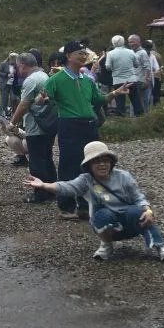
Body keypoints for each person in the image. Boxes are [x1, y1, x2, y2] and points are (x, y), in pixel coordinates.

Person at [25, 141, 164, 262]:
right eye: (97, 161)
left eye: (105, 160)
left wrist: (148, 210)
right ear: (89, 166)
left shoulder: (124, 176)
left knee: (140, 212)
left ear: (111, 162)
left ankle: (161, 247)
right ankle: (106, 245)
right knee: (101, 214)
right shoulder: (86, 180)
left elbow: (138, 197)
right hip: (108, 225)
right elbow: (67, 187)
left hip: (130, 221)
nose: (102, 164)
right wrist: (44, 185)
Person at [39, 41, 129, 219]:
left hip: (89, 125)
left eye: (84, 53)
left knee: (91, 164)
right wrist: (41, 99)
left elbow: (98, 100)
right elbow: (41, 98)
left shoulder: (87, 79)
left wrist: (115, 93)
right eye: (79, 53)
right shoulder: (56, 79)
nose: (83, 56)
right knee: (69, 165)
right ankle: (66, 206)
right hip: (69, 125)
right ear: (68, 56)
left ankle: (86, 205)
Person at [7, 53, 54, 202]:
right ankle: (52, 190)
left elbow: (24, 104)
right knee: (47, 158)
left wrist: (12, 122)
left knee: (37, 162)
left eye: (17, 66)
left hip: (36, 126)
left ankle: (40, 194)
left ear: (22, 66)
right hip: (48, 124)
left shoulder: (31, 80)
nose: (17, 69)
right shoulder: (44, 75)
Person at [103, 35, 143, 117]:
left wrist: (115, 68)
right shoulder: (131, 52)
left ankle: (121, 119)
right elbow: (136, 64)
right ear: (123, 42)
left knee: (120, 102)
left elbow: (108, 67)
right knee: (136, 100)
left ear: (113, 43)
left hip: (118, 80)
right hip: (132, 79)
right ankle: (140, 118)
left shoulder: (110, 53)